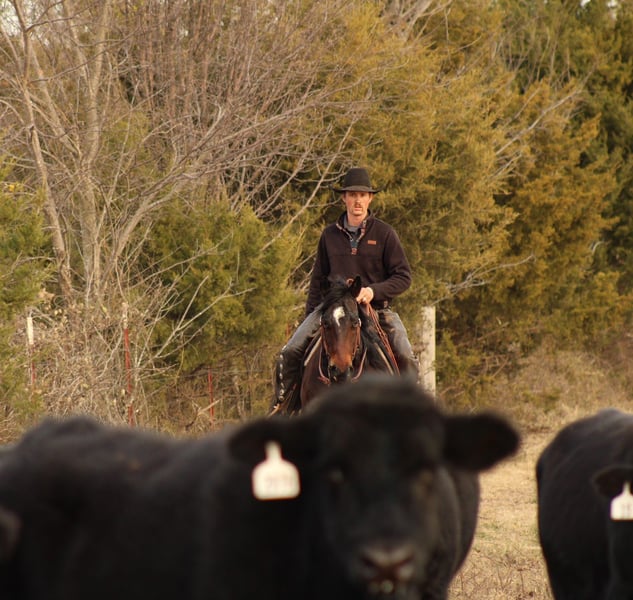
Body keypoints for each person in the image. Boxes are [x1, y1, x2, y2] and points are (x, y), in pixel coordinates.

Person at [273, 166, 419, 409]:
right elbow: (317, 280)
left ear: (370, 198)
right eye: (352, 195)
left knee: (405, 354)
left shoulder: (385, 234)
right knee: (290, 351)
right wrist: (311, 316)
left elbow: (403, 276)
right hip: (333, 310)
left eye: (362, 195)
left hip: (374, 309)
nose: (357, 201)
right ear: (344, 198)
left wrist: (373, 291)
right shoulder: (329, 235)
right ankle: (282, 408)